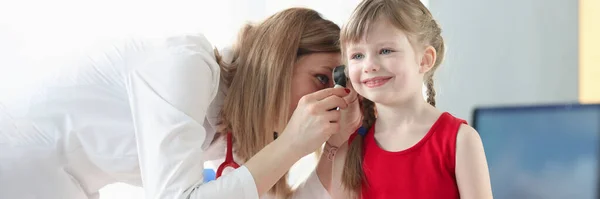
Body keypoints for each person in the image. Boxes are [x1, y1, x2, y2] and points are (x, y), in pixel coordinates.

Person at [0, 8, 361, 199]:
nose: (327, 98)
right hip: (17, 166)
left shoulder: (231, 129)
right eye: (321, 78)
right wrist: (292, 144)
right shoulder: (187, 65)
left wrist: (333, 148)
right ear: (279, 60)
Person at [329, 0, 494, 198]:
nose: (369, 65)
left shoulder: (461, 140)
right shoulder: (348, 154)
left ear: (424, 60)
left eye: (385, 51)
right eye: (357, 55)